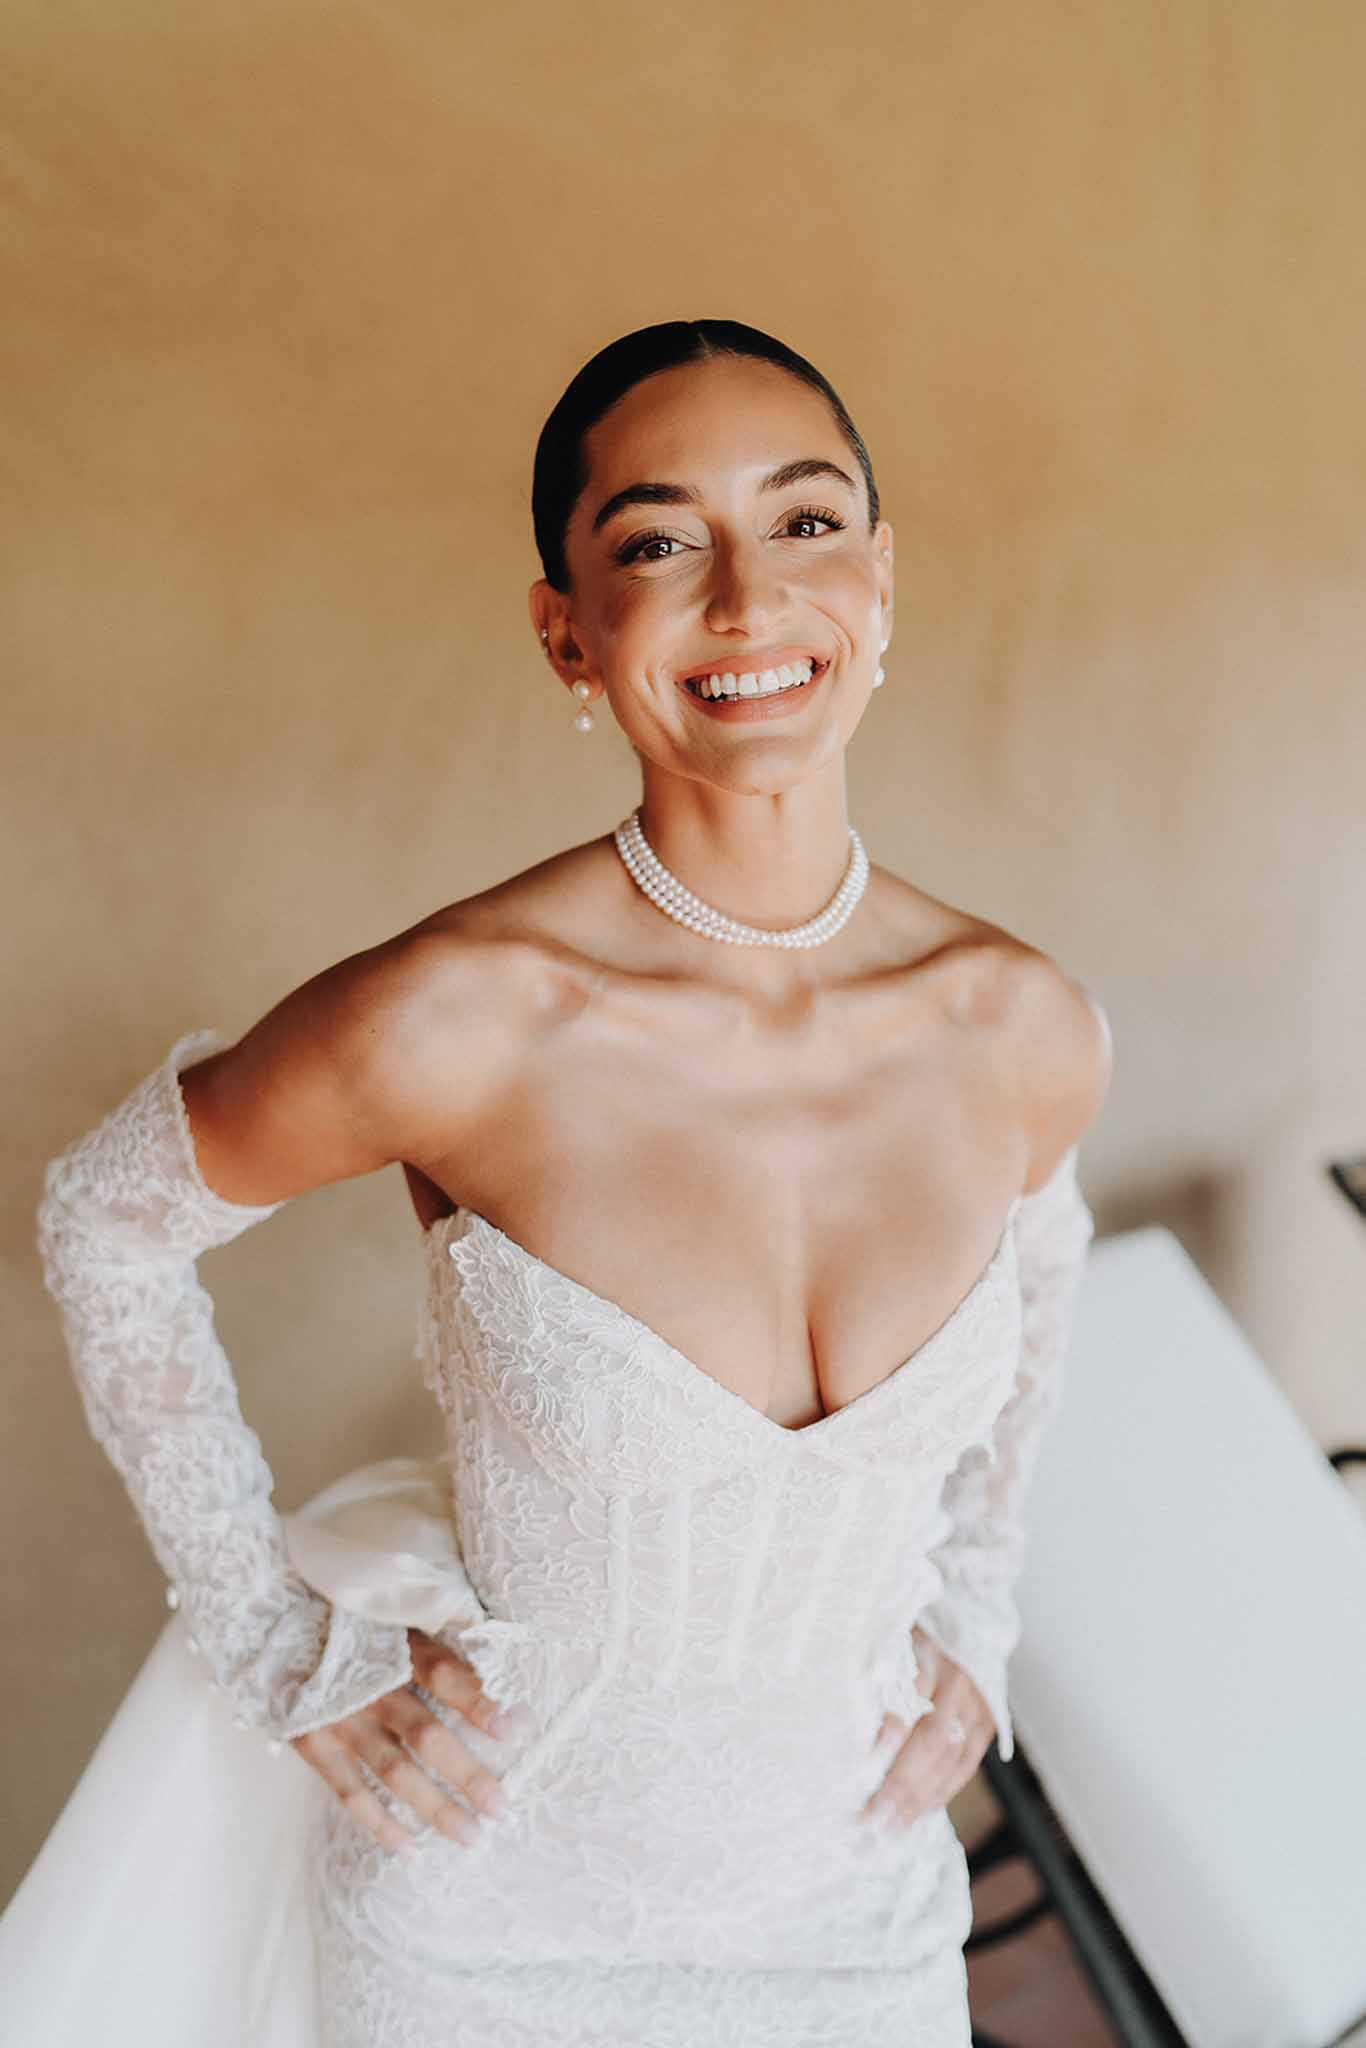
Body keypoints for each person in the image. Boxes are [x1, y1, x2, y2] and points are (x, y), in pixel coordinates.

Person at [15, 318, 1110, 2046]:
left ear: (880, 581)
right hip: (486, 1937)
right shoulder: (459, 1017)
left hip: (859, 1924)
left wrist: (974, 1610)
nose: (747, 598)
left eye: (805, 522)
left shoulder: (1019, 1025)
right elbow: (108, 1220)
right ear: (566, 631)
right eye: (660, 543)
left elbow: (1042, 1264)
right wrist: (269, 1638)